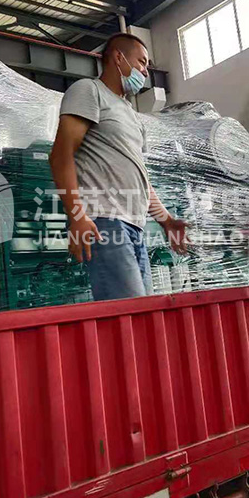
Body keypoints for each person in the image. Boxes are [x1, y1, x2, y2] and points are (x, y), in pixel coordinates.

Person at [49, 33, 189, 301]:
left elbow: (139, 178)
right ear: (118, 57)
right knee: (130, 312)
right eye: (142, 62)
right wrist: (77, 215)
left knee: (143, 312)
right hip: (104, 221)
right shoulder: (89, 91)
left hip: (135, 226)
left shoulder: (132, 117)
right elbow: (60, 156)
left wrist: (166, 220)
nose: (145, 72)